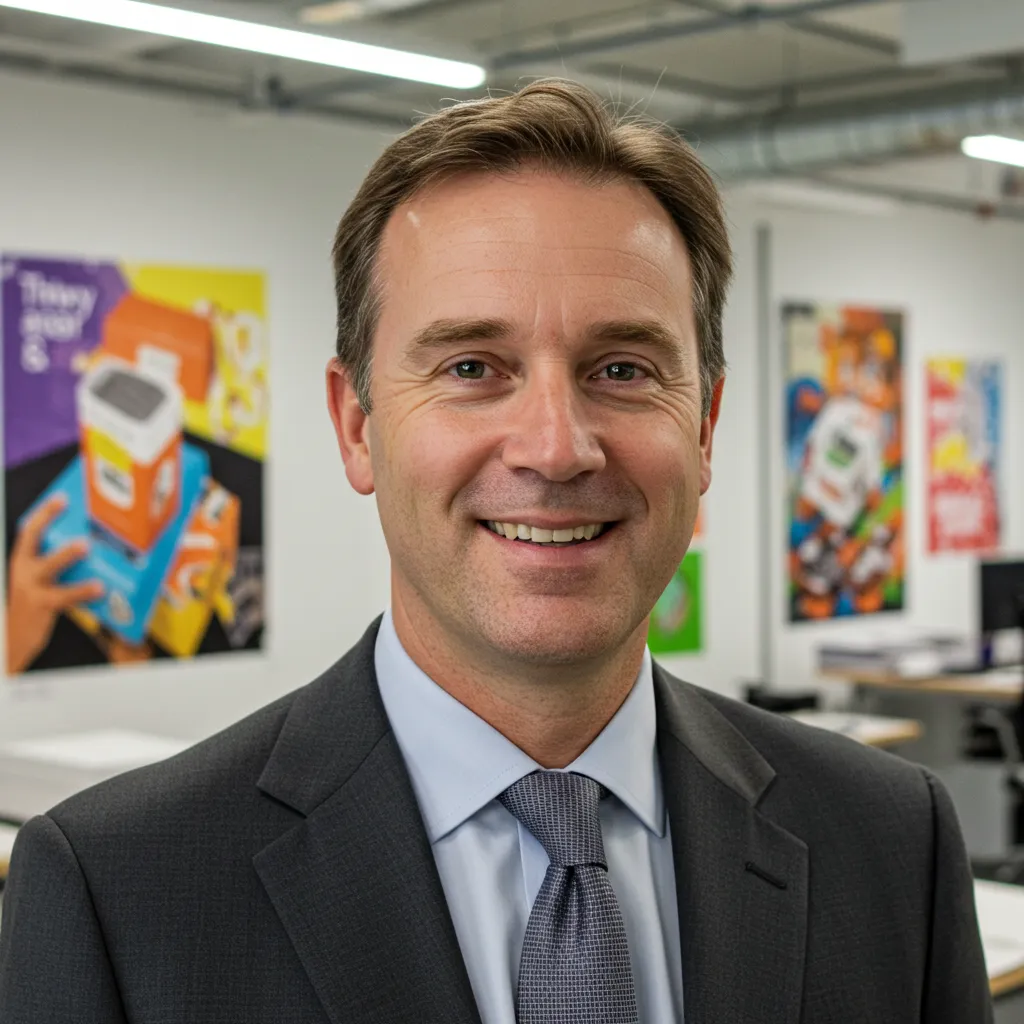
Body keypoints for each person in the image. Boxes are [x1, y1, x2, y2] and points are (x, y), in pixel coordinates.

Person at [0, 80, 991, 1023]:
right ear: (356, 425)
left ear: (704, 426)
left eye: (623, 369)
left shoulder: (892, 840)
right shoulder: (116, 891)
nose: (556, 448)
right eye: (472, 366)